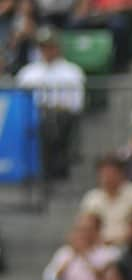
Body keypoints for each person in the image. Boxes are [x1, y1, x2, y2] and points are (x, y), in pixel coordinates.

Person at [15, 25, 85, 180]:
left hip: (61, 117)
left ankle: (52, 173)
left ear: (58, 47)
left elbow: (76, 105)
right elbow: (19, 103)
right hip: (33, 116)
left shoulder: (72, 71)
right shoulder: (27, 72)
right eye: (43, 46)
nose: (46, 50)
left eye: (50, 46)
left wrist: (51, 109)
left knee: (52, 121)